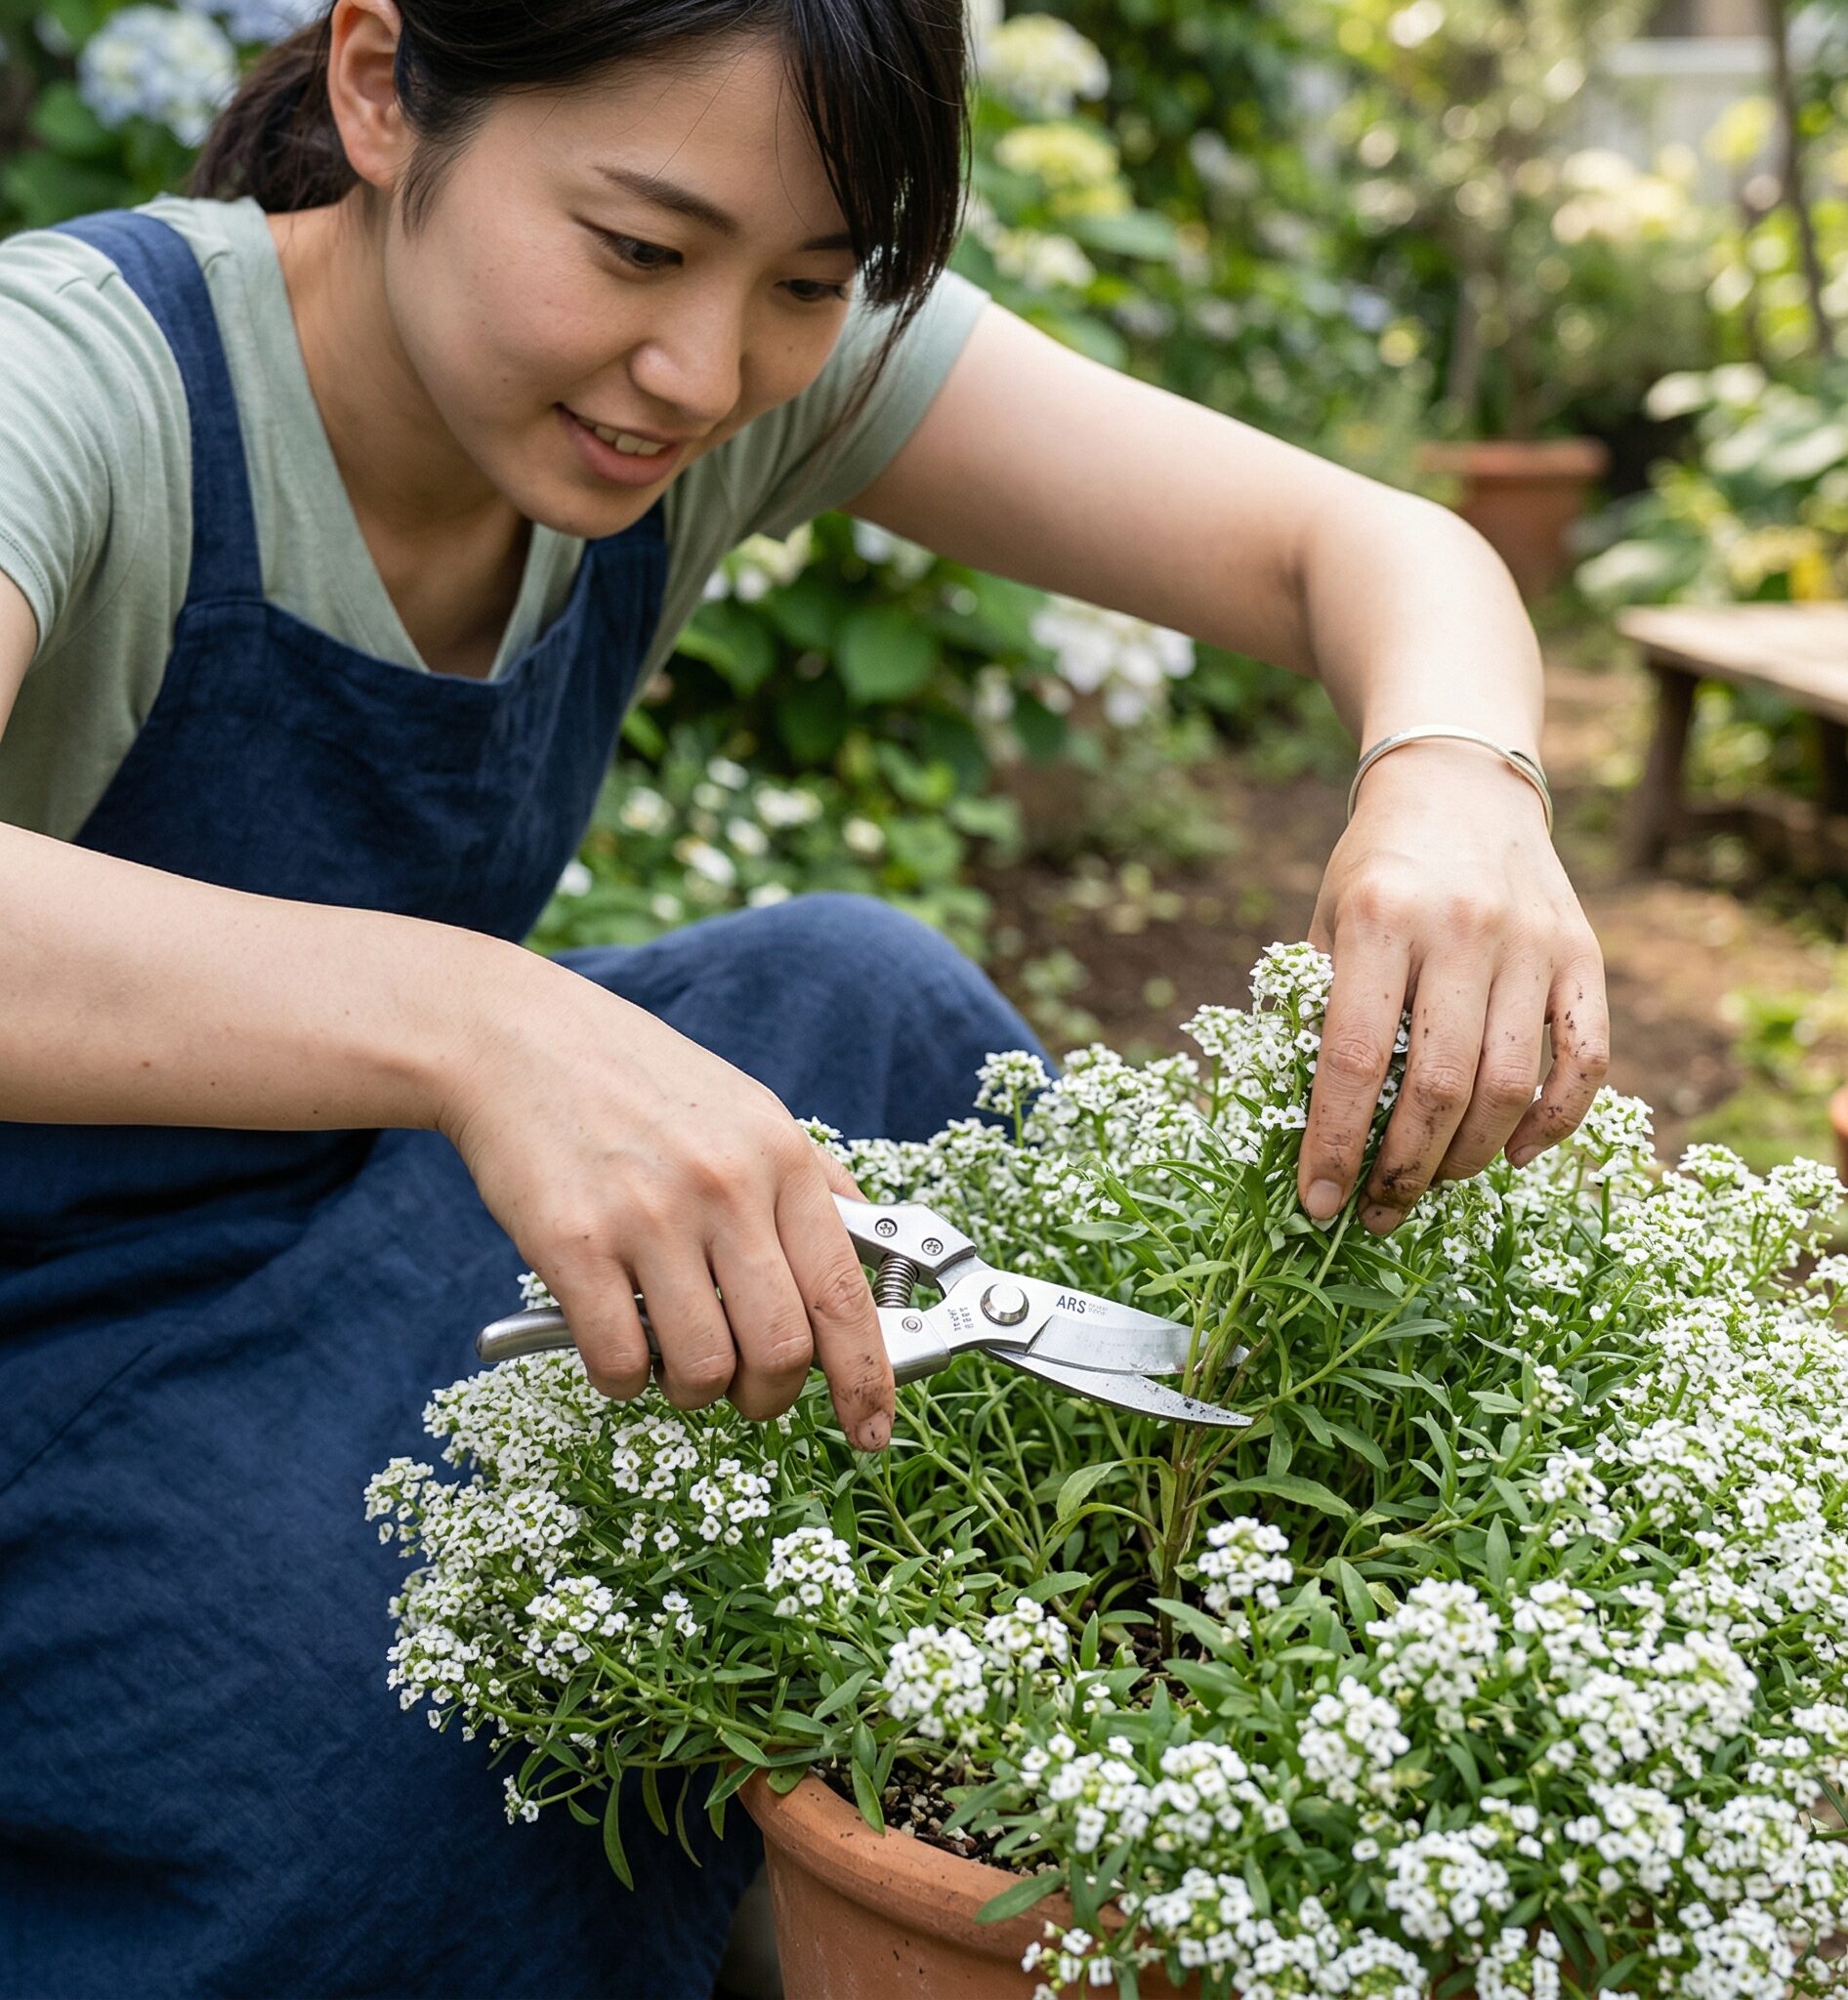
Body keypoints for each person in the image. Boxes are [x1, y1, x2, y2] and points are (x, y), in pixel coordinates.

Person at [0, 0, 1611, 1992]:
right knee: (407, 1765)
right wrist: (482, 1024)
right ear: (379, 86)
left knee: (866, 1012)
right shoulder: (82, 375)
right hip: (42, 1337)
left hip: (336, 1213)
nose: (703, 370)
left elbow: (1348, 545)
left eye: (809, 283)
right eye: (634, 247)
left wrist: (1455, 774)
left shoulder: (709, 362)